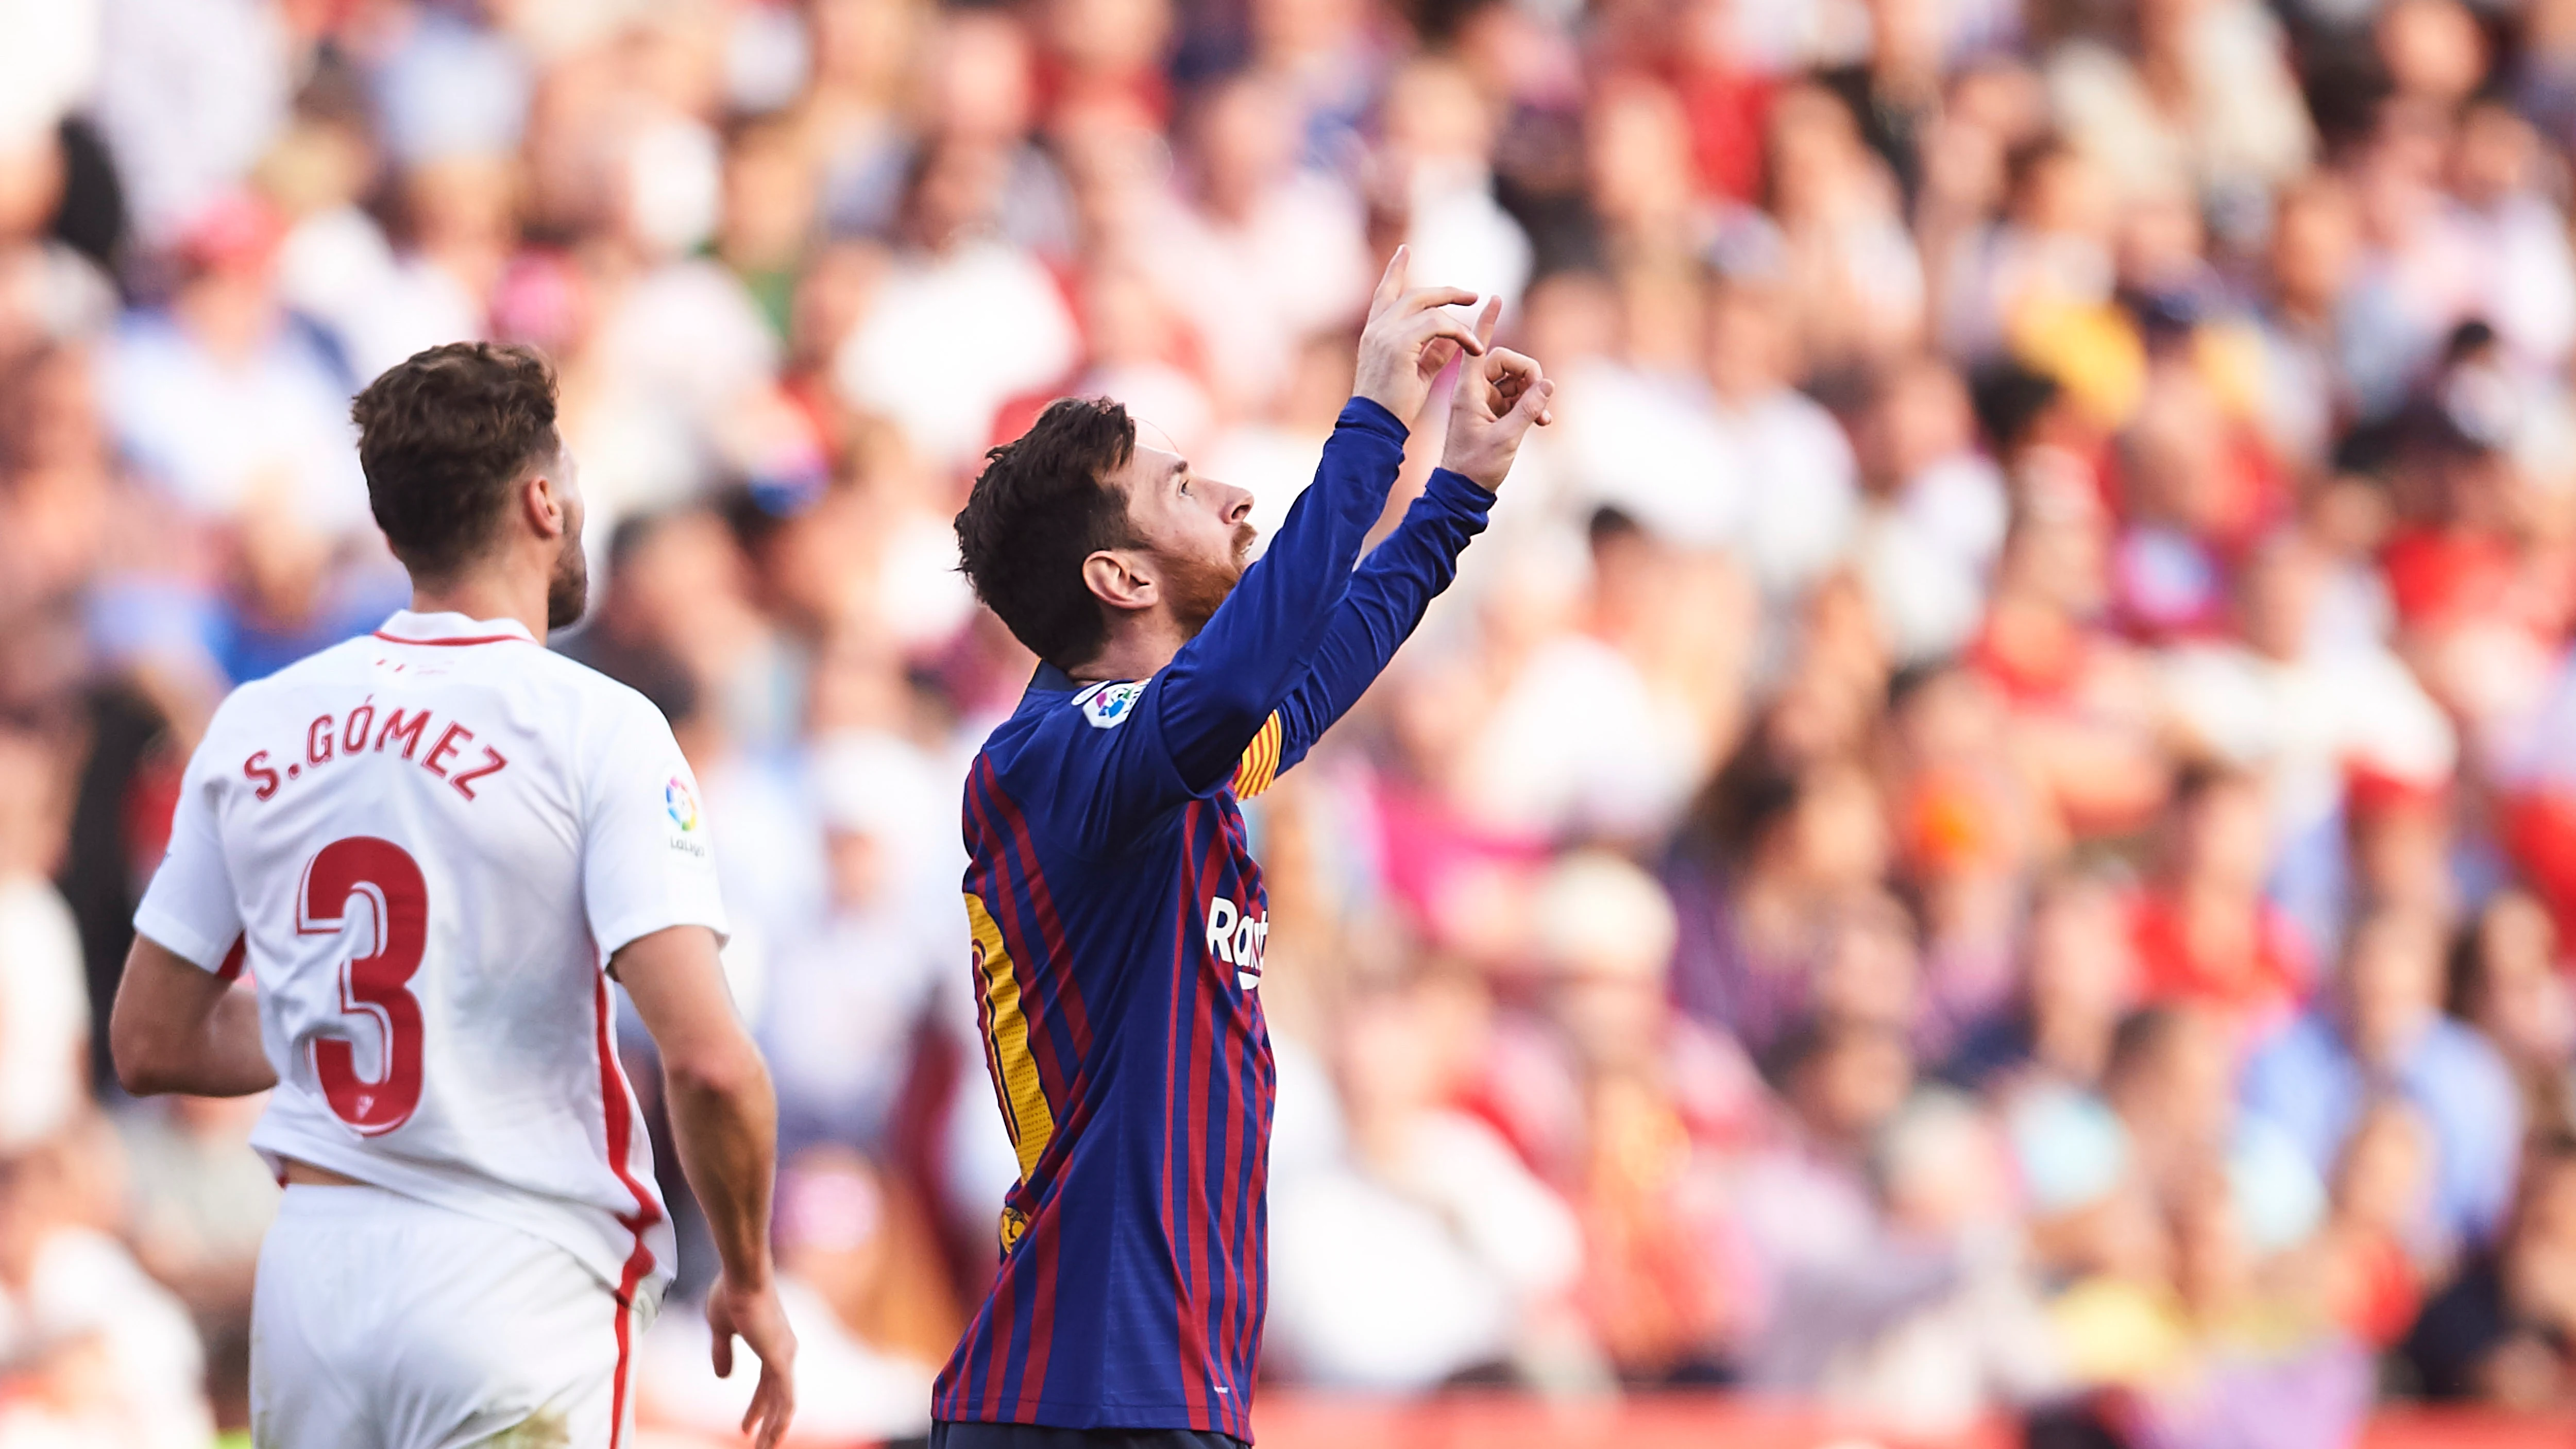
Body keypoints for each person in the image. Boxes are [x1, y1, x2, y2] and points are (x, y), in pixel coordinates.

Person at [105, 343, 796, 1449]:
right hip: (512, 1273)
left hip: (315, 1270)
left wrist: (371, 1028)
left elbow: (149, 1037)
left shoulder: (257, 718)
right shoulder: (598, 725)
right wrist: (752, 1273)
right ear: (541, 500)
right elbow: (709, 1058)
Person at [935, 247, 1552, 1448]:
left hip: (1162, 1385)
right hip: (1077, 1396)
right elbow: (1243, 681)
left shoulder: (1170, 772)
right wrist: (1371, 413)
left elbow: (1305, 682)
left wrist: (1458, 492)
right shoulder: (1055, 758)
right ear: (1116, 574)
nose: (1233, 498)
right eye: (1183, 488)